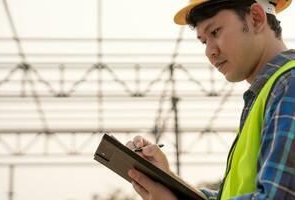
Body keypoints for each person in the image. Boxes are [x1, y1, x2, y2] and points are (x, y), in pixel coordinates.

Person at [126, 0, 295, 199]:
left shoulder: (288, 86)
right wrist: (169, 182)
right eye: (204, 41)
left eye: (215, 32)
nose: (210, 52)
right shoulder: (268, 94)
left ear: (256, 18)